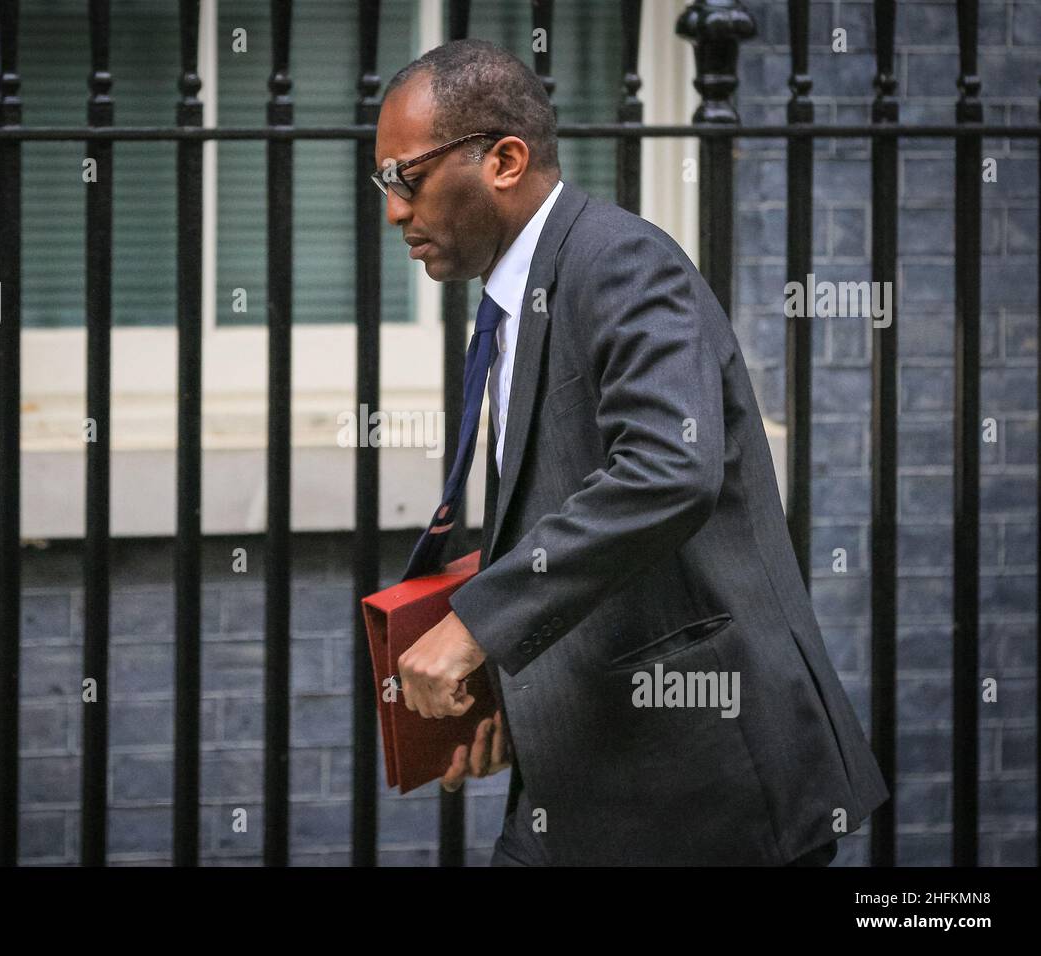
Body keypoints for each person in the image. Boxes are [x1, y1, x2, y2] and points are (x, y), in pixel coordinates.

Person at [377, 39, 889, 866]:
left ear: (505, 160)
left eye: (408, 176)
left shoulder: (620, 261)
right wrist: (521, 686)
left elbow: (668, 469)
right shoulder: (514, 299)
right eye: (386, 183)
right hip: (588, 769)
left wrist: (481, 624)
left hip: (705, 789)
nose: (395, 209)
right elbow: (568, 506)